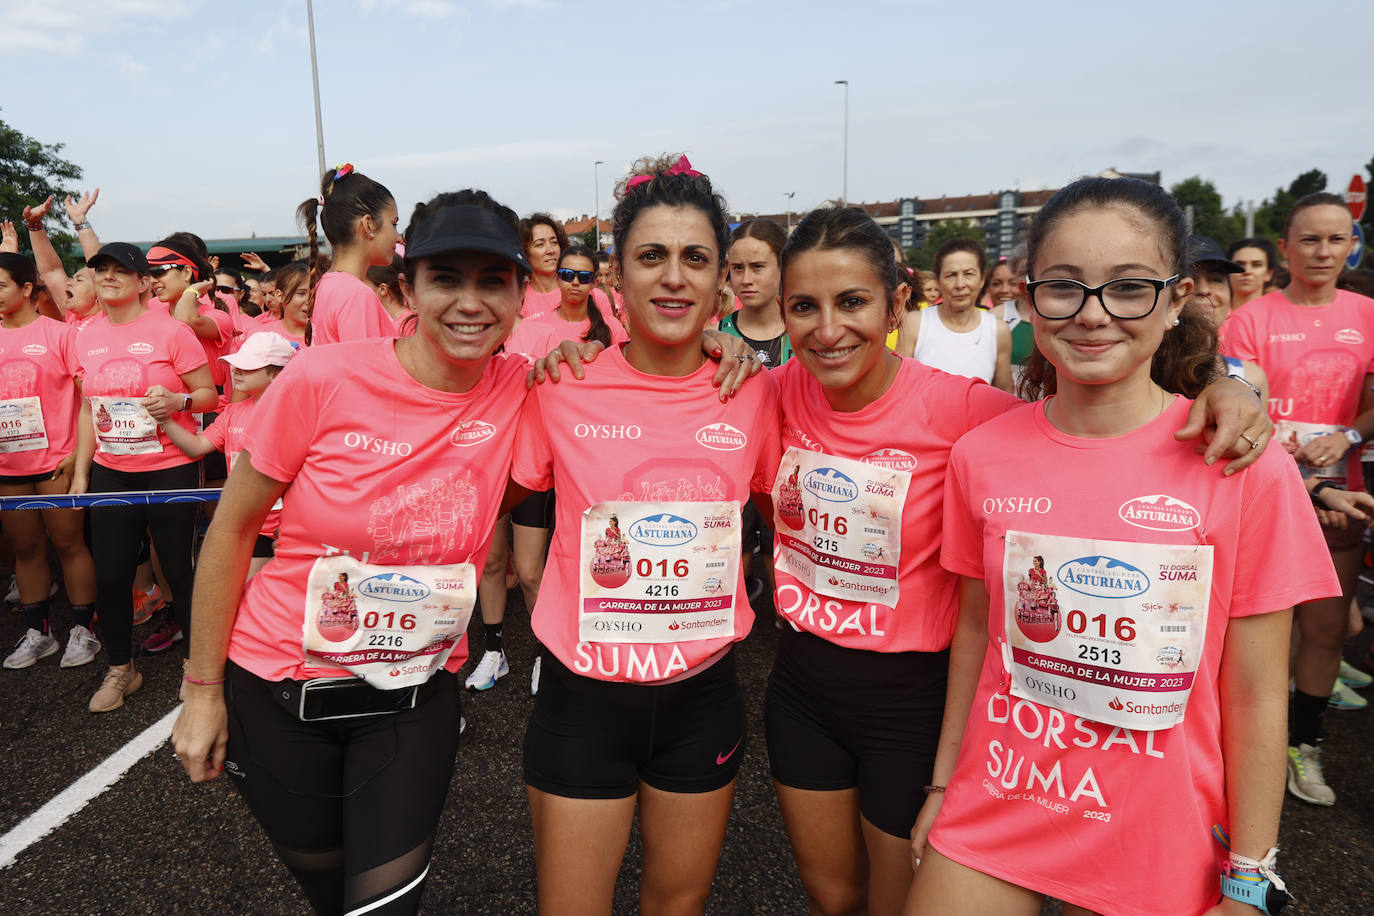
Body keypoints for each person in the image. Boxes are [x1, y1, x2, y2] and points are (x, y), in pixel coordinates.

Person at [907, 176, 1337, 916]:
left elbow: (1258, 690)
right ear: (1028, 299)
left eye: (1129, 287)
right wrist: (944, 785)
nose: (1093, 314)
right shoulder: (979, 455)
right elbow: (976, 636)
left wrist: (1249, 876)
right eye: (1064, 287)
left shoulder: (1241, 464)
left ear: (1175, 302)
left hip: (1157, 831)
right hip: (999, 799)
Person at [171, 189, 536, 915]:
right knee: (330, 894)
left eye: (493, 280)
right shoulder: (321, 378)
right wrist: (201, 692)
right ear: (405, 289)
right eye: (446, 279)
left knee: (381, 906)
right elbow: (234, 530)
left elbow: (636, 387)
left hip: (412, 692)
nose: (471, 303)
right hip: (276, 688)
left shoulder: (526, 388)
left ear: (523, 294)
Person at [513, 153, 780, 915]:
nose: (673, 277)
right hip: (583, 698)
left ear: (721, 280)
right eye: (651, 256)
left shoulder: (754, 390)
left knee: (677, 905)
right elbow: (494, 489)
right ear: (617, 278)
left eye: (695, 258)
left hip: (701, 702)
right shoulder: (563, 383)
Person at [1219, 192, 1374, 807]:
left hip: (1344, 500)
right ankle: (1243, 746)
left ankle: (1301, 743)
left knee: (1328, 629)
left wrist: (1350, 433)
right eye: (1310, 239)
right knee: (1258, 632)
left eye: (1337, 239)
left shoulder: (1367, 312)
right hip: (1265, 492)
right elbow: (1233, 405)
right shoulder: (1250, 319)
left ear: (1352, 245)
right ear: (1285, 247)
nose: (1324, 251)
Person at [73, 242, 216, 712]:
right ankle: (121, 669)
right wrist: (80, 475)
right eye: (100, 270)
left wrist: (180, 403)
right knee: (111, 577)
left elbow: (209, 395)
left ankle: (195, 667)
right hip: (111, 472)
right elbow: (86, 409)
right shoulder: (83, 335)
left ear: (143, 283)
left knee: (179, 569)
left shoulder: (172, 331)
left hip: (171, 467)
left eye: (120, 271)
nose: (108, 277)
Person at [0, 253, 99, 671]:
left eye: (1, 284)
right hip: (9, 466)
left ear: (26, 289)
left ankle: (83, 629)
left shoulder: (60, 335)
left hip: (56, 460)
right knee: (25, 548)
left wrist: (78, 455)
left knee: (69, 544)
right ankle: (39, 633)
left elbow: (88, 396)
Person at [157, 331, 296, 579]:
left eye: (247, 367)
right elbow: (198, 446)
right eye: (236, 366)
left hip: (284, 528)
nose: (237, 372)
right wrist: (164, 420)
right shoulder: (234, 412)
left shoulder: (296, 416)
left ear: (277, 374)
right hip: (244, 523)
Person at [297, 163, 400, 345]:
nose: (397, 237)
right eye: (394, 224)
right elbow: (366, 370)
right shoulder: (356, 296)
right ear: (368, 225)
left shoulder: (327, 286)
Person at [896, 238, 1013, 391]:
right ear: (938, 280)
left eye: (968, 274)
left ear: (982, 279)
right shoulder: (915, 323)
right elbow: (898, 386)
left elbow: (1004, 392)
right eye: (951, 275)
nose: (960, 284)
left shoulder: (998, 330)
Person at [1185, 235, 1268, 399]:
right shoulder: (1142, 374)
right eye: (1191, 279)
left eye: (1216, 280)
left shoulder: (1251, 378)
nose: (1204, 290)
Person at [720, 219, 792, 368]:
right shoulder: (715, 337)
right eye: (738, 268)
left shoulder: (806, 335)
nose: (746, 280)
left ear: (782, 267)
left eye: (757, 267)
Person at [519, 213, 570, 319]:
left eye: (554, 242)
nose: (551, 250)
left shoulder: (582, 291)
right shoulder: (518, 301)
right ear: (524, 252)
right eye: (540, 244)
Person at [1227, 237, 1280, 309]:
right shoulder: (1213, 314)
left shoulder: (1279, 315)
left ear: (1269, 273)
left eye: (1256, 265)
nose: (1247, 271)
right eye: (1239, 264)